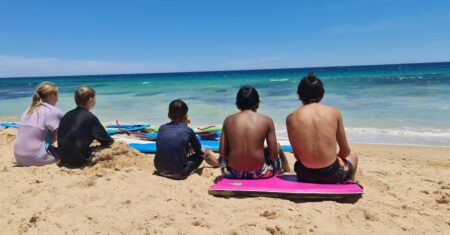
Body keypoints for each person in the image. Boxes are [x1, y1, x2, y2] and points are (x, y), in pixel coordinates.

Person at [286, 73, 358, 183]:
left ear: (299, 95)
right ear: (322, 94)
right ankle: (349, 181)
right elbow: (345, 151)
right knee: (353, 157)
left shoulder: (291, 118)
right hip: (332, 174)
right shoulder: (334, 113)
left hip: (305, 174)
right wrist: (337, 157)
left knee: (299, 164)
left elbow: (297, 156)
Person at [219, 86, 290, 179]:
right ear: (258, 104)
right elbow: (273, 155)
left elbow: (222, 152)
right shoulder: (266, 120)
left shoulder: (228, 120)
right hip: (259, 173)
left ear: (237, 104)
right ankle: (285, 169)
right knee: (277, 146)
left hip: (234, 173)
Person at [154, 99, 219, 180]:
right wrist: (186, 125)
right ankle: (217, 164)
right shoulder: (188, 130)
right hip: (179, 172)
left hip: (159, 169)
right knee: (201, 155)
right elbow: (199, 151)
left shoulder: (162, 128)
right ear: (185, 116)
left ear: (168, 115)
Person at [57, 86, 113, 168]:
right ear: (91, 100)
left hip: (63, 158)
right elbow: (107, 141)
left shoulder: (67, 114)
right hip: (78, 161)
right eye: (94, 98)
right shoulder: (90, 117)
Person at [13, 82, 63, 166]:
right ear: (51, 96)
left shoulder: (28, 110)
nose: (58, 99)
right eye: (57, 95)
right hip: (35, 158)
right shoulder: (52, 111)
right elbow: (63, 136)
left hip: (19, 157)